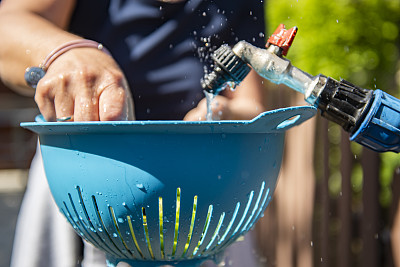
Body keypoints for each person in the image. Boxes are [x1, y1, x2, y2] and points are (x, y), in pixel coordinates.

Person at [0, 0, 267, 266]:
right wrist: (67, 52)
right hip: (79, 184)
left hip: (202, 197)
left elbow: (251, 104)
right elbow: (8, 26)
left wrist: (223, 113)